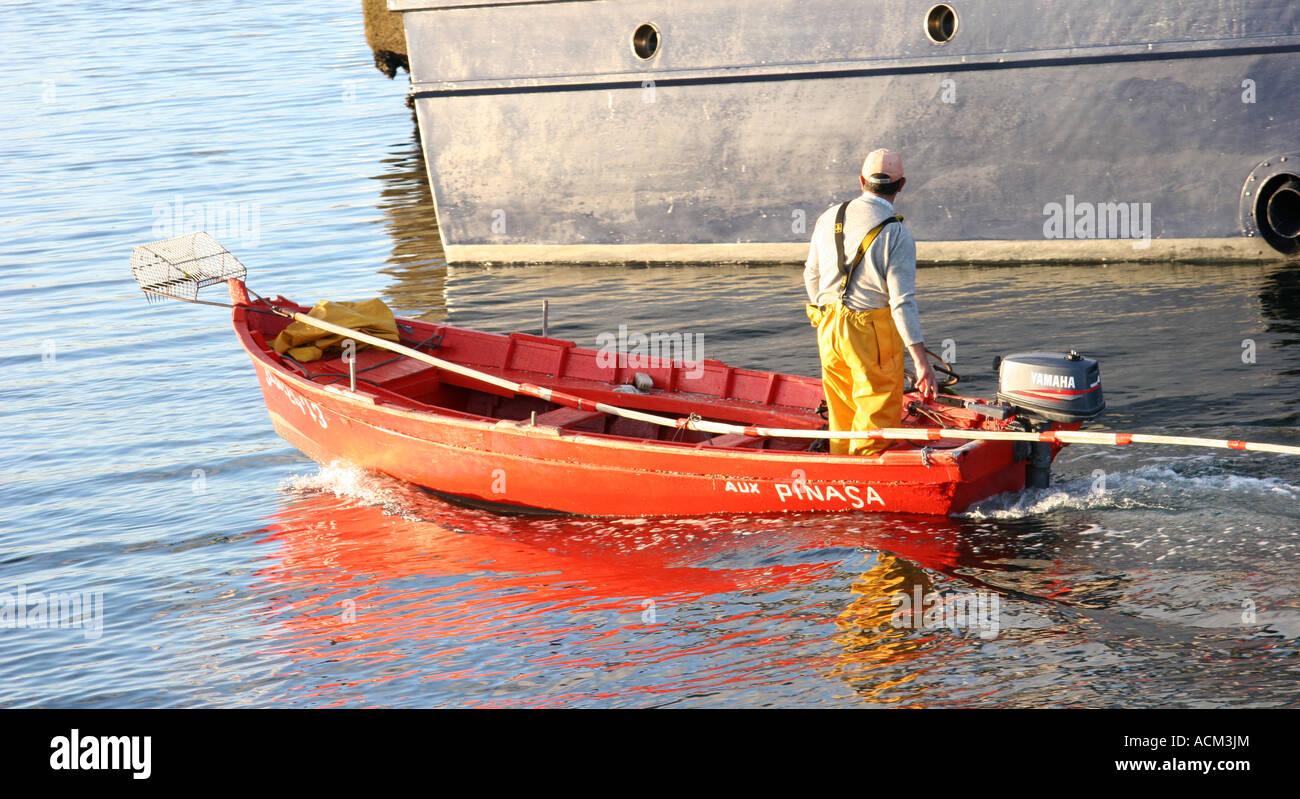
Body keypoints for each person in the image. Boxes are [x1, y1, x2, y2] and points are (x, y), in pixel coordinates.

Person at [803, 148, 937, 456]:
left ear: (862, 180)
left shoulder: (829, 216)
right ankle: (867, 487)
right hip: (870, 331)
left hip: (828, 326)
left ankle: (839, 473)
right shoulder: (897, 233)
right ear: (901, 185)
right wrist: (921, 363)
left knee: (841, 412)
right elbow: (902, 302)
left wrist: (828, 314)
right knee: (875, 413)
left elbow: (811, 275)